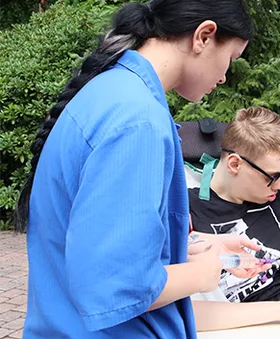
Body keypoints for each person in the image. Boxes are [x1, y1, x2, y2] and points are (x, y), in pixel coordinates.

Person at [14, 1, 265, 337]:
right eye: (230, 60)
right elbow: (117, 284)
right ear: (204, 36)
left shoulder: (108, 94)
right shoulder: (138, 121)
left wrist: (190, 249)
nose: (223, 77)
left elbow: (94, 241)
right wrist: (208, 270)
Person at [186, 106, 280, 332]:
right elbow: (182, 311)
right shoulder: (185, 212)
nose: (279, 186)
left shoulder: (267, 195)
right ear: (234, 164)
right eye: (272, 177)